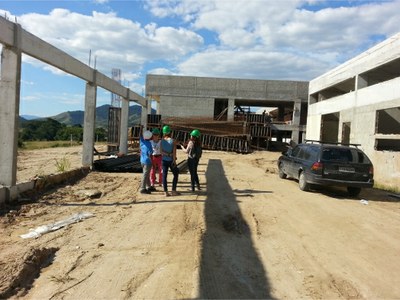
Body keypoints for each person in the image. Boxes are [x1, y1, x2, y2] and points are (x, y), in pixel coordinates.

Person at [160, 125, 180, 196]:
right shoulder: (173, 141)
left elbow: (161, 151)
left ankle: (166, 192)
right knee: (176, 174)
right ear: (170, 132)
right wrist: (174, 160)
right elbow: (174, 152)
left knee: (164, 176)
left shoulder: (161, 141)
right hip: (171, 161)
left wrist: (167, 154)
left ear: (163, 133)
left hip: (163, 161)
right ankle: (173, 191)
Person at [139, 129, 155, 194]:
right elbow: (150, 154)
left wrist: (141, 128)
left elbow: (140, 136)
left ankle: (149, 186)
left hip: (142, 161)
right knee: (145, 175)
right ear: (150, 137)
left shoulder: (142, 141)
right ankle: (143, 188)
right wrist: (153, 162)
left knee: (147, 174)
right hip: (147, 162)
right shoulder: (149, 144)